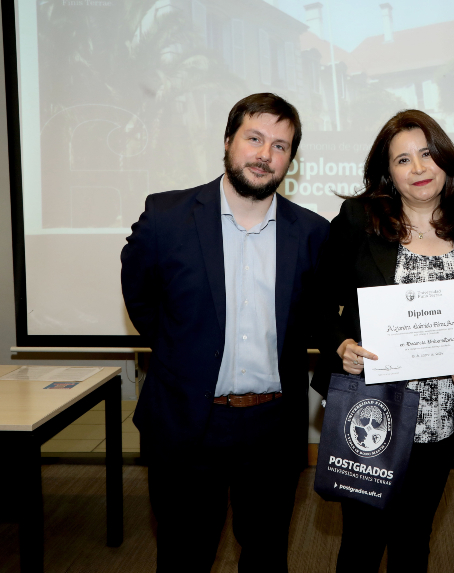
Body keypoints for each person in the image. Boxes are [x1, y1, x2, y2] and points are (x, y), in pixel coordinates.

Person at [121, 93, 329, 572]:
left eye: (280, 146)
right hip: (188, 424)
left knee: (266, 557)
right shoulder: (166, 217)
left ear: (291, 160)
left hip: (273, 429)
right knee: (183, 557)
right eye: (254, 138)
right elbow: (141, 298)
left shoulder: (312, 233)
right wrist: (184, 353)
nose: (265, 154)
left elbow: (313, 318)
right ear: (228, 141)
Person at [311, 109, 454, 572]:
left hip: (440, 417)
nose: (419, 169)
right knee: (362, 540)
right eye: (403, 160)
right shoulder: (358, 221)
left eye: (427, 154)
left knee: (414, 537)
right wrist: (341, 345)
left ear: (446, 159)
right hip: (371, 411)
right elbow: (316, 300)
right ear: (388, 173)